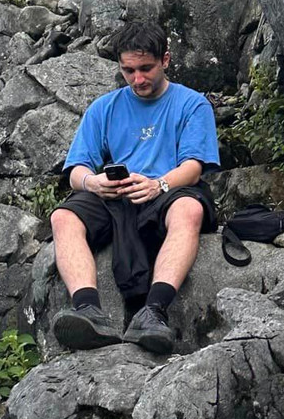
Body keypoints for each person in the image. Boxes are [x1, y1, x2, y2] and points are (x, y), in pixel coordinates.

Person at [50, 21, 220, 353]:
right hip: (116, 196)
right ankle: (88, 310)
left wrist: (159, 184)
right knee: (63, 218)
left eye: (146, 68)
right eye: (129, 70)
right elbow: (76, 170)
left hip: (168, 189)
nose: (137, 79)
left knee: (190, 209)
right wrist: (93, 182)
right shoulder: (104, 108)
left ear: (166, 60)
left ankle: (153, 312)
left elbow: (193, 167)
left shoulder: (192, 104)